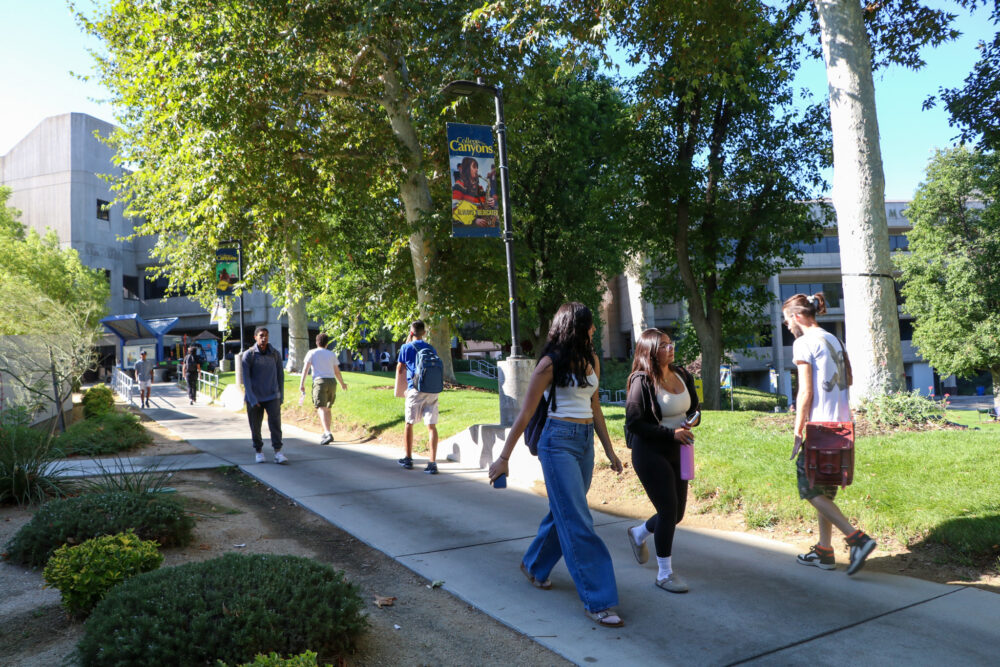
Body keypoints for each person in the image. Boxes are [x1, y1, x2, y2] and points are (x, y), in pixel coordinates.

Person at [488, 303, 626, 628]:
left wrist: (609, 450)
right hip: (557, 442)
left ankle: (535, 564)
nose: (594, 331)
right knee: (579, 520)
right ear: (577, 328)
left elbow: (595, 407)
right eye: (591, 326)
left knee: (564, 511)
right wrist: (504, 457)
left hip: (584, 443)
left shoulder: (592, 361)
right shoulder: (549, 364)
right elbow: (524, 413)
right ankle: (599, 600)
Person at [783, 292, 876, 575]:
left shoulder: (803, 343)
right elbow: (848, 379)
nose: (787, 325)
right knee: (825, 489)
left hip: (820, 427)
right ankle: (824, 551)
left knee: (810, 489)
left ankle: (857, 539)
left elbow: (805, 393)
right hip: (842, 426)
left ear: (797, 316)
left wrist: (798, 431)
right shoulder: (833, 338)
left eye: (787, 319)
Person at [624, 328, 700, 593]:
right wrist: (671, 433)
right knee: (668, 511)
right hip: (650, 452)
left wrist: (693, 420)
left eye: (671, 343)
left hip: (679, 450)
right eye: (664, 345)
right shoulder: (641, 381)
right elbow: (634, 423)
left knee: (676, 514)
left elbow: (693, 408)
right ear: (650, 351)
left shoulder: (681, 374)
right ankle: (664, 574)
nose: (671, 348)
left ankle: (639, 533)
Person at [395, 320, 440, 473]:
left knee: (409, 423)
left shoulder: (405, 347)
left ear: (411, 332)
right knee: (431, 426)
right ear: (424, 333)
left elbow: (400, 368)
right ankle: (432, 463)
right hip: (432, 389)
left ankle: (408, 459)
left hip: (415, 390)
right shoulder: (430, 347)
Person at [242, 327, 287, 464]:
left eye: (266, 335)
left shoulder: (275, 354)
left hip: (272, 396)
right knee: (255, 426)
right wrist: (252, 398)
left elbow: (280, 375)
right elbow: (246, 379)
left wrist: (281, 395)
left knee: (275, 425)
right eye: (261, 335)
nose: (264, 338)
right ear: (255, 337)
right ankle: (258, 451)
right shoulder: (249, 355)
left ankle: (278, 452)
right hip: (254, 398)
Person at [299, 333, 348, 446]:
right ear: (327, 343)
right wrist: (342, 383)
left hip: (319, 382)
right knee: (328, 408)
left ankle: (327, 432)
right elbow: (337, 371)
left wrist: (302, 384)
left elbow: (306, 369)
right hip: (332, 382)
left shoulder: (311, 353)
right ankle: (327, 431)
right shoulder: (331, 354)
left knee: (321, 408)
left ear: (317, 342)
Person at [452, 157, 498, 228]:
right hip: (468, 227)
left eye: (477, 167)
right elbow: (455, 210)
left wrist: (490, 202)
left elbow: (484, 205)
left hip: (483, 224)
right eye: (474, 167)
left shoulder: (480, 188)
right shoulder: (459, 185)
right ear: (467, 169)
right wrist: (474, 220)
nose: (477, 170)